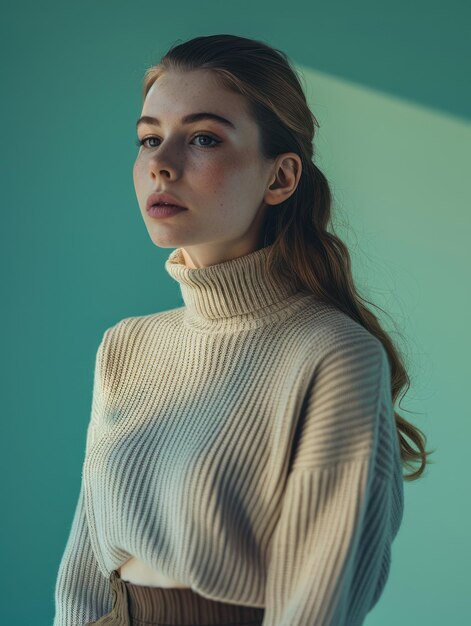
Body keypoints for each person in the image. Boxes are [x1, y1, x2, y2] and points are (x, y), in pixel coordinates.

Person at [53, 34, 433, 626]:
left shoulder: (332, 355)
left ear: (281, 178)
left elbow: (318, 600)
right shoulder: (126, 346)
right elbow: (84, 571)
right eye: (149, 139)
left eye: (203, 138)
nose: (161, 162)